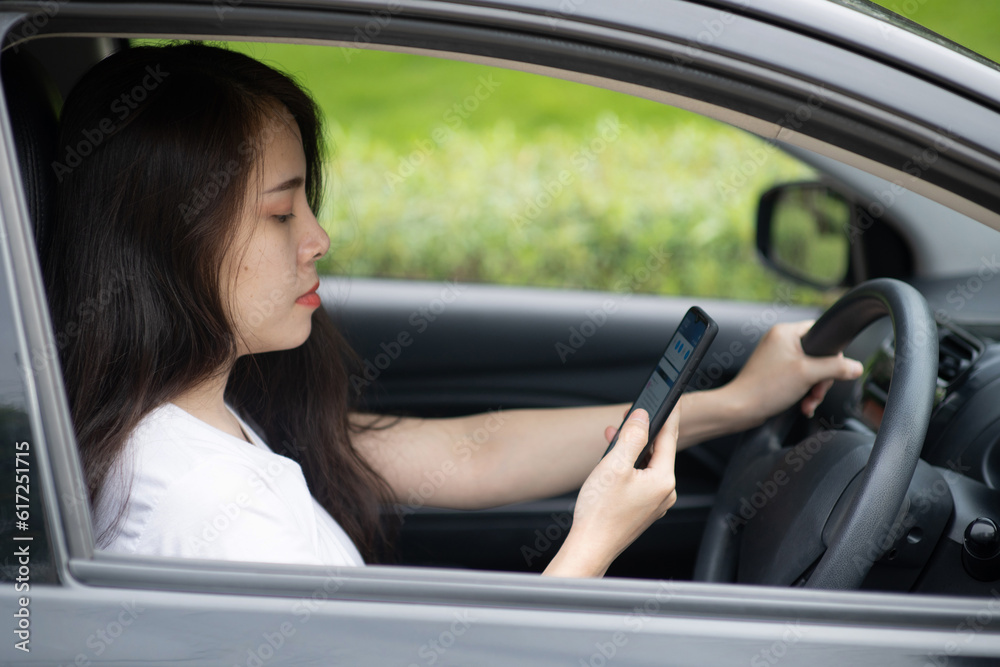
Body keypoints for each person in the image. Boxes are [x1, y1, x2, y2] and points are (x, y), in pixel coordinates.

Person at [42, 43, 862, 577]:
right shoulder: (211, 518)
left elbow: (470, 452)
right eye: (283, 211)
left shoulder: (204, 418)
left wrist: (738, 402)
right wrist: (594, 542)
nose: (320, 238)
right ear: (171, 237)